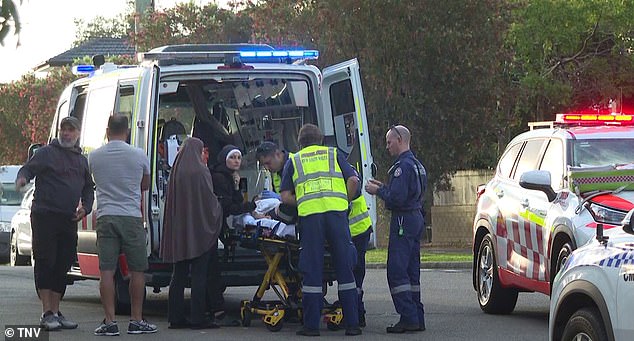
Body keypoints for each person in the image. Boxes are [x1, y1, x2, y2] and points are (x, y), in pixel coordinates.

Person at [280, 123, 362, 336]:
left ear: (300, 142)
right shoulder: (334, 154)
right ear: (321, 139)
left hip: (311, 218)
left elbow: (285, 196)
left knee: (312, 270)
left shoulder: (294, 160)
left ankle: (311, 326)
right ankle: (352, 325)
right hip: (337, 215)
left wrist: (305, 200)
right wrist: (344, 199)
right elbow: (353, 180)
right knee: (345, 267)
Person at [15, 116, 94, 331]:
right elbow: (27, 170)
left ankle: (56, 312)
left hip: (68, 219)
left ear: (78, 133)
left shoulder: (81, 160)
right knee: (46, 261)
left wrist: (85, 208)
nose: (66, 133)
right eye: (63, 129)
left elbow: (88, 188)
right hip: (45, 216)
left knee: (63, 263)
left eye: (71, 130)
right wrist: (22, 179)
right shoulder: (46, 153)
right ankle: (46, 312)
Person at [88, 114, 157, 336]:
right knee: (137, 270)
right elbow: (145, 184)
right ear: (127, 132)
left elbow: (92, 180)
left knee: (106, 270)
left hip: (106, 216)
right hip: (131, 217)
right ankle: (136, 319)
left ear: (107, 131)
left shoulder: (94, 156)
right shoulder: (139, 155)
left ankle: (110, 321)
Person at [365, 124, 427, 334]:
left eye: (389, 141)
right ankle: (417, 317)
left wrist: (378, 190)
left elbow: (397, 199)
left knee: (397, 270)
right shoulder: (417, 165)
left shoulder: (402, 167)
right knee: (411, 271)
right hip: (415, 217)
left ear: (400, 140)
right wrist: (385, 187)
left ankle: (408, 317)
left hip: (403, 221)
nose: (387, 146)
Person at [160, 137, 223, 330]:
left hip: (180, 232)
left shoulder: (176, 172)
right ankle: (198, 317)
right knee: (199, 275)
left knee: (177, 275)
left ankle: (175, 317)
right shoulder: (201, 171)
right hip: (199, 232)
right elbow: (209, 202)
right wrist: (219, 208)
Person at [209, 145, 256, 315]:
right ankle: (215, 304)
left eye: (238, 157)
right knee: (212, 266)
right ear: (224, 159)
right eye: (232, 157)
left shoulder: (229, 176)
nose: (236, 161)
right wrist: (251, 206)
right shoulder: (220, 178)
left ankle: (215, 302)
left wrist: (236, 187)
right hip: (214, 225)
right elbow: (229, 207)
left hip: (219, 224)